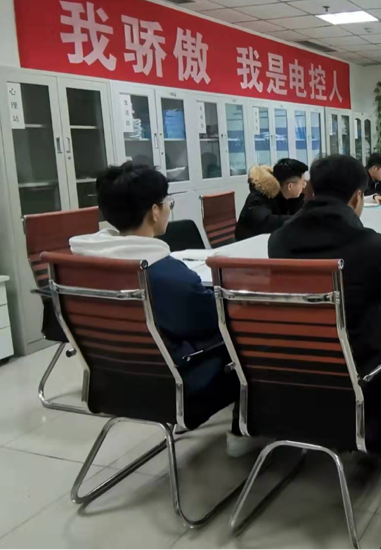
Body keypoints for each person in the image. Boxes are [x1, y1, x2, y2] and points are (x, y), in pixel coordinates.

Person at [69, 163, 259, 457]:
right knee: (253, 341)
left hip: (109, 384)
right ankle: (244, 432)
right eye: (167, 202)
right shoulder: (165, 275)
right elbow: (217, 322)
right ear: (155, 211)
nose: (169, 208)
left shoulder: (80, 267)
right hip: (176, 388)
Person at [268, 154, 381, 371]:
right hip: (359, 365)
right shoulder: (371, 245)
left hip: (296, 362)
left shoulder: (278, 240)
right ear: (357, 197)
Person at [235, 158, 308, 240]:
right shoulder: (259, 196)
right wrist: (299, 220)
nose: (304, 186)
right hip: (248, 243)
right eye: (303, 182)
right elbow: (265, 223)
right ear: (290, 186)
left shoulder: (290, 197)